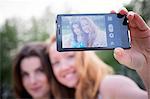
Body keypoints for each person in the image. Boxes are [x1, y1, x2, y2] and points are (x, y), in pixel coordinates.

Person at [48, 9, 149, 99]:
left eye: (70, 56)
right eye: (56, 62)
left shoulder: (110, 85)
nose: (64, 67)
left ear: (86, 56)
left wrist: (146, 62)